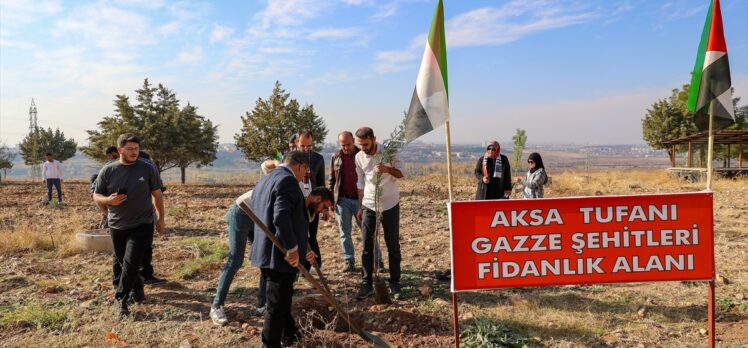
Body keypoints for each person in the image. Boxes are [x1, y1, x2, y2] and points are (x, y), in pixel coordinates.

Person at [250, 151, 319, 348]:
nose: (303, 175)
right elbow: (280, 216)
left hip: (265, 252)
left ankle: (291, 334)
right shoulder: (287, 181)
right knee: (276, 306)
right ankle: (270, 345)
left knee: (280, 300)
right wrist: (292, 247)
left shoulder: (265, 180)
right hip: (279, 255)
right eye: (304, 170)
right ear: (299, 166)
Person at [93, 134, 165, 316]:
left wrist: (161, 218)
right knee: (121, 261)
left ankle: (120, 299)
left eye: (137, 148)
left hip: (143, 223)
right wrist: (108, 201)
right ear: (120, 150)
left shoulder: (148, 168)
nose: (135, 152)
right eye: (130, 149)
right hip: (117, 225)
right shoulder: (108, 170)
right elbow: (97, 195)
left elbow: (157, 194)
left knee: (132, 262)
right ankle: (138, 290)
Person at [354, 127, 405, 300]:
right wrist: (360, 206)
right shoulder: (359, 157)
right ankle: (366, 283)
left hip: (390, 203)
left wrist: (387, 169)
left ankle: (395, 283)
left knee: (393, 245)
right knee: (367, 246)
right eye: (360, 145)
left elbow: (402, 173)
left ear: (374, 139)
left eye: (366, 144)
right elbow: (360, 182)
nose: (363, 148)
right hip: (369, 204)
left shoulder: (389, 152)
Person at [329, 131, 382, 273]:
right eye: (343, 145)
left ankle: (377, 260)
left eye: (348, 144)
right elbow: (332, 180)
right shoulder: (336, 157)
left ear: (353, 141)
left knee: (368, 231)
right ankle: (349, 260)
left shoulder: (363, 156)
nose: (346, 147)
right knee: (344, 232)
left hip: (362, 200)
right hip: (342, 200)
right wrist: (331, 201)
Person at [294, 130, 326, 269]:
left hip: (312, 204)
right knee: (297, 237)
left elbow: (321, 184)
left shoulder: (318, 159)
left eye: (309, 146)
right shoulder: (288, 158)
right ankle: (300, 268)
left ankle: (315, 267)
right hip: (295, 203)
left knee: (311, 236)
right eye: (303, 146)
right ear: (296, 143)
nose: (306, 149)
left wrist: (324, 207)